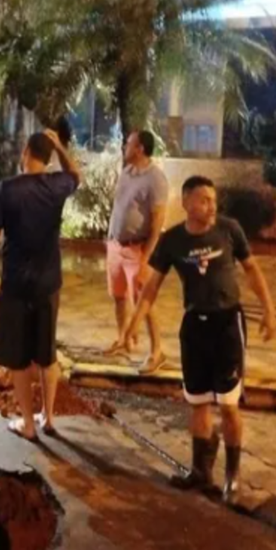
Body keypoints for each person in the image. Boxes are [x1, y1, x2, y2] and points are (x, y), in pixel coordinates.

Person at [111, 176, 276, 503]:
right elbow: (151, 288)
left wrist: (269, 309)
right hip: (194, 327)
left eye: (213, 200)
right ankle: (200, 471)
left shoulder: (229, 230)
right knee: (198, 402)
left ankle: (232, 475)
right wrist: (132, 326)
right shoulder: (173, 240)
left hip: (227, 324)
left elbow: (252, 270)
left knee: (229, 405)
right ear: (186, 203)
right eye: (203, 199)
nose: (211, 206)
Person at [0, 119, 82, 441]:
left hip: (15, 288)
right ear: (48, 158)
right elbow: (76, 176)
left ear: (25, 152)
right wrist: (61, 146)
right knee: (47, 355)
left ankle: (28, 424)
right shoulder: (57, 185)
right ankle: (49, 418)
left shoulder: (7, 190)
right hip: (49, 284)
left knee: (20, 360)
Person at [106, 130, 169, 374]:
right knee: (119, 296)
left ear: (140, 148)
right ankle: (123, 340)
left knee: (145, 301)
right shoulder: (127, 172)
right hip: (115, 246)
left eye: (129, 143)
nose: (125, 146)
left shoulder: (156, 179)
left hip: (137, 249)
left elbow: (157, 222)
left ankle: (157, 351)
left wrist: (146, 259)